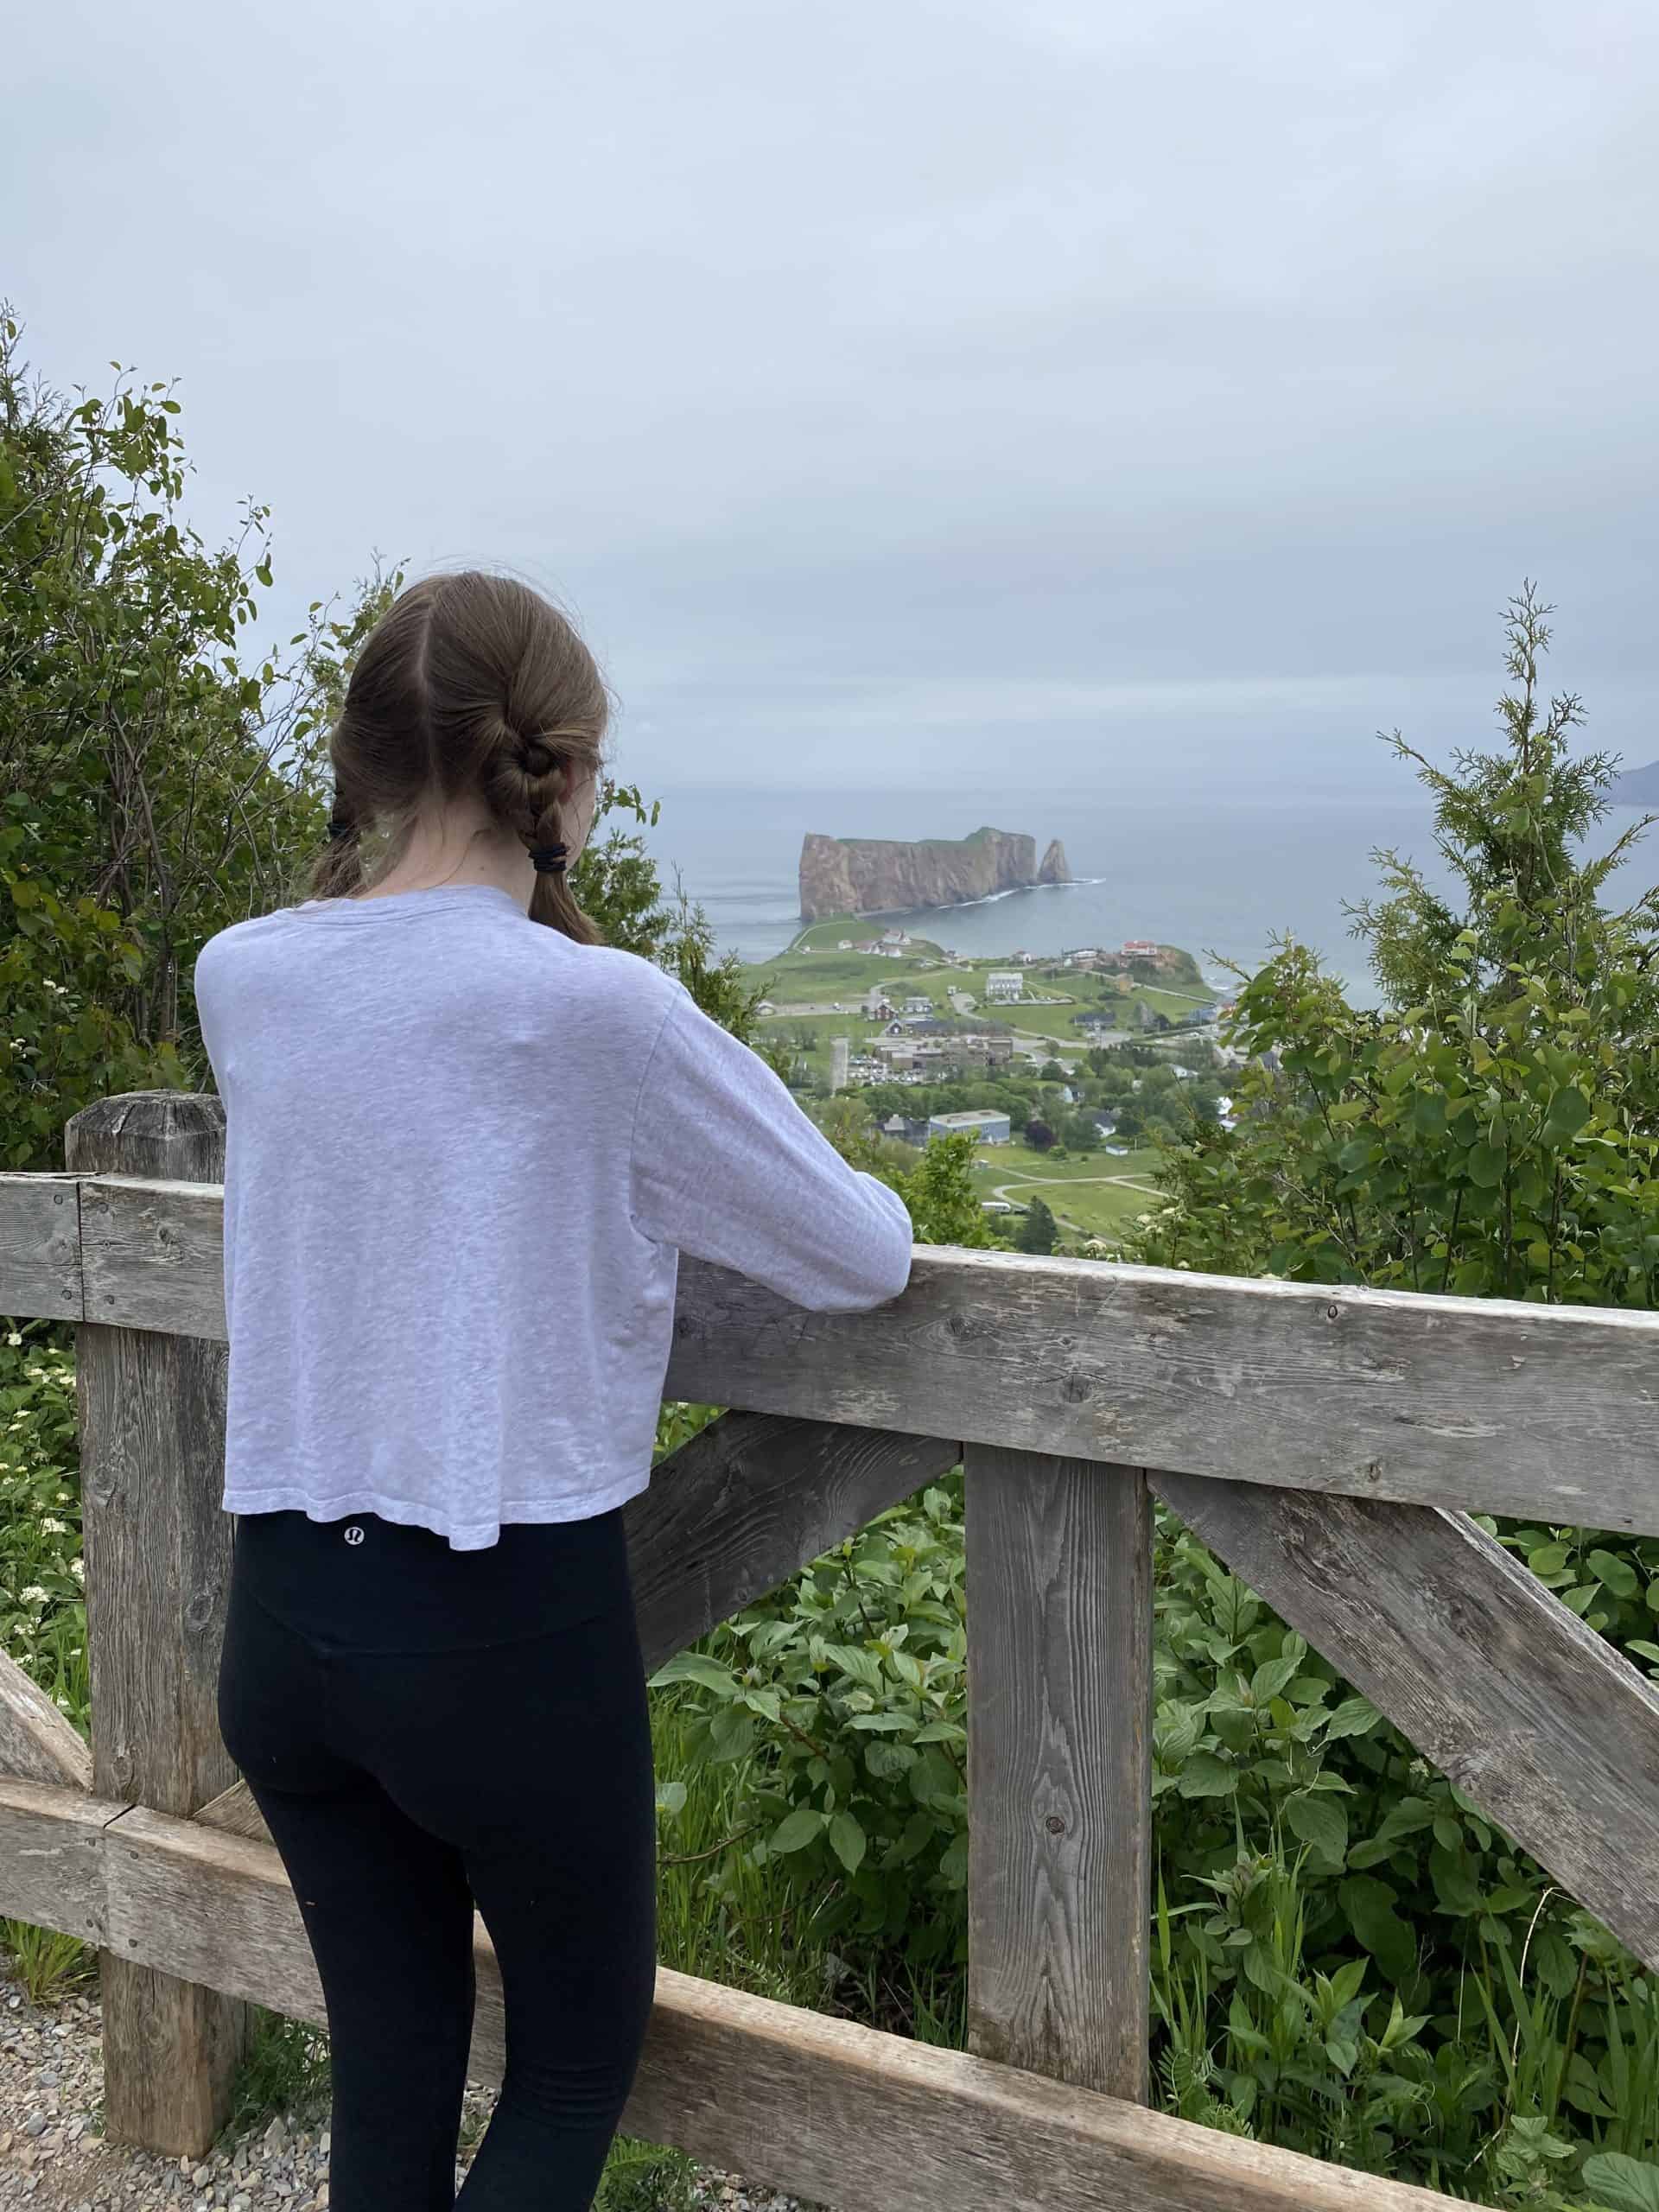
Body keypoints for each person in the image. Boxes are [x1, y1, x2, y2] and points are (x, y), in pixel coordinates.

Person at [194, 569, 915, 2211]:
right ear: (570, 774)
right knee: (575, 2063)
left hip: (287, 1628)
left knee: (389, 2075)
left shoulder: (243, 974)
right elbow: (860, 1255)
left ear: (364, 763)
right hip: (500, 1632)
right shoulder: (595, 1009)